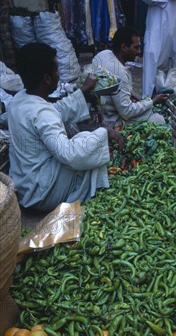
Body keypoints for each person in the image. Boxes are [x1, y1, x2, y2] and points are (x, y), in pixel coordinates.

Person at [8, 43, 124, 212]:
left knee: (86, 139)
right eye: (56, 70)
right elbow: (69, 154)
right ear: (47, 78)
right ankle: (91, 196)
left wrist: (83, 92)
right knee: (89, 150)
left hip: (24, 183)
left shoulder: (19, 100)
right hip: (41, 193)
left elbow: (55, 111)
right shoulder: (41, 113)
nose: (58, 74)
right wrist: (104, 133)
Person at [92, 26, 168, 128]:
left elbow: (114, 90)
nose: (139, 51)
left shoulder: (103, 54)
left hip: (100, 112)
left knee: (144, 107)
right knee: (158, 119)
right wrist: (153, 101)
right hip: (111, 121)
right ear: (124, 47)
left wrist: (131, 94)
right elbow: (126, 112)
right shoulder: (119, 72)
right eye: (136, 47)